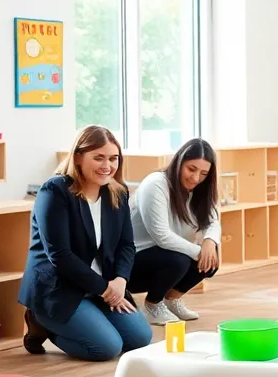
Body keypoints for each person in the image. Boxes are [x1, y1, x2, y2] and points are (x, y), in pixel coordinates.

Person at [19, 125, 149, 362]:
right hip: (60, 288)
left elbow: (126, 245)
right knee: (106, 348)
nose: (107, 166)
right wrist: (104, 289)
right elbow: (59, 255)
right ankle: (43, 324)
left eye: (113, 158)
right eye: (98, 157)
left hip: (104, 285)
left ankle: (89, 318)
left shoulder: (117, 193)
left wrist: (120, 281)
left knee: (140, 339)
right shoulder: (55, 190)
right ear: (78, 157)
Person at [128, 138, 220, 326]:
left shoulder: (200, 190)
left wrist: (209, 241)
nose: (196, 178)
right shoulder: (156, 184)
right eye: (191, 169)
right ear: (179, 162)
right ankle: (153, 305)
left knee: (211, 258)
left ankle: (171, 300)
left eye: (203, 173)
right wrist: (200, 252)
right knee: (181, 259)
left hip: (162, 257)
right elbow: (161, 237)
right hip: (130, 261)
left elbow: (213, 221)